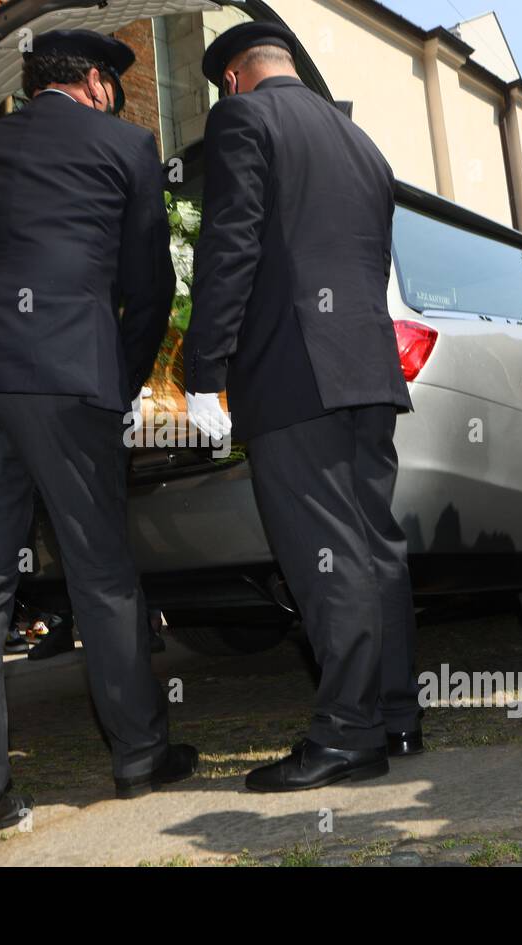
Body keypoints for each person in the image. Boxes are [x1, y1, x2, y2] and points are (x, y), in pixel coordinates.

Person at [0, 29, 194, 853]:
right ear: (95, 82)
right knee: (100, 570)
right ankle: (138, 753)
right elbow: (148, 282)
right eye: (112, 86)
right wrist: (118, 382)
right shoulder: (126, 146)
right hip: (63, 374)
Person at [183, 22, 418, 793]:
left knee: (324, 554)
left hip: (292, 369)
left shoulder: (243, 118)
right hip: (366, 365)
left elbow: (230, 244)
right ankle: (393, 715)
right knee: (375, 543)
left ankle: (347, 735)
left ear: (233, 78)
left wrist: (203, 366)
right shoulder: (359, 139)